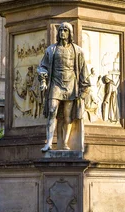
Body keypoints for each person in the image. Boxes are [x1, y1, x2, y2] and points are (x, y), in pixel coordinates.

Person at [37, 22, 89, 152]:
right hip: (55, 84)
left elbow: (83, 69)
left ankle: (65, 143)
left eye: (65, 30)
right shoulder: (51, 50)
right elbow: (42, 66)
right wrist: (43, 78)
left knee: (67, 116)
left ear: (70, 33)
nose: (62, 33)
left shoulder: (77, 51)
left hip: (71, 85)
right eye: (60, 30)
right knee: (51, 111)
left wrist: (85, 87)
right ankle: (49, 142)